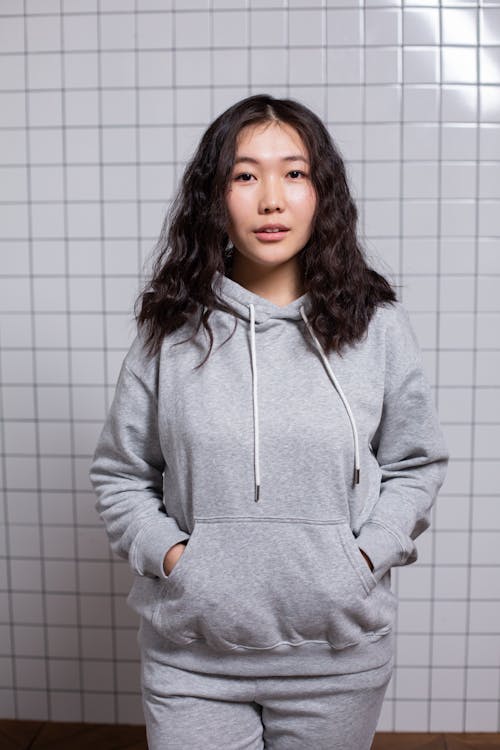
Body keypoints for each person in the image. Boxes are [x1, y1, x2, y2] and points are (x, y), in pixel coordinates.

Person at [89, 93, 449, 750]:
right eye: (245, 175)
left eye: (294, 173)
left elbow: (415, 462)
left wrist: (361, 559)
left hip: (336, 659)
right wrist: (180, 562)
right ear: (215, 197)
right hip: (193, 656)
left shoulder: (378, 327)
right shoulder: (169, 331)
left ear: (322, 193)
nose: (271, 200)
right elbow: (120, 473)